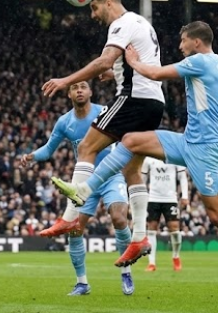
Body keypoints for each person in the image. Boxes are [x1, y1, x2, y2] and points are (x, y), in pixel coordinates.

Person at [58, 21, 218, 301]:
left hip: (206, 149)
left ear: (196, 42)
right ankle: (85, 188)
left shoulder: (200, 63)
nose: (179, 47)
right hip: (187, 141)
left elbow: (155, 74)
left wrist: (131, 61)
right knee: (131, 140)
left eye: (183, 41)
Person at [41, 0, 165, 267]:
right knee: (132, 169)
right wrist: (118, 72)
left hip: (134, 99)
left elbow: (103, 60)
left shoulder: (121, 23)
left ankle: (68, 218)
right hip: (155, 102)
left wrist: (65, 81)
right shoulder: (142, 23)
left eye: (94, 9)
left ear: (108, 3)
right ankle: (140, 238)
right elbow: (136, 61)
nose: (94, 15)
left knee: (87, 147)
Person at [18, 81, 135, 296]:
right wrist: (31, 157)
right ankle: (82, 283)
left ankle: (126, 271)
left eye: (83, 86)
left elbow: (128, 133)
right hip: (84, 181)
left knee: (119, 218)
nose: (79, 90)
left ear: (90, 91)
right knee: (74, 229)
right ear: (69, 94)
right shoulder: (64, 122)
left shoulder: (104, 112)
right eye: (74, 88)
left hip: (111, 175)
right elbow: (48, 150)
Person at [141, 156, 188, 272]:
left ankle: (176, 257)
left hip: (170, 198)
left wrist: (185, 196)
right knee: (151, 229)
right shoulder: (148, 159)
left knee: (175, 230)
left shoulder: (175, 156)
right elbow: (142, 178)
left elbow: (183, 177)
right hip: (153, 199)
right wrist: (140, 195)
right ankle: (152, 263)